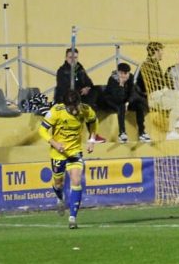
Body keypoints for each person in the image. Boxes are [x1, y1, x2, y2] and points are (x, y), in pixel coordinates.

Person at [38, 89, 97, 229]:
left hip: (74, 151)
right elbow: (42, 130)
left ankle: (72, 218)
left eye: (76, 106)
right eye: (71, 107)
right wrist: (55, 144)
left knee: (76, 180)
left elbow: (93, 122)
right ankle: (60, 198)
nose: (75, 110)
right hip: (58, 153)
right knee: (58, 183)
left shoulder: (86, 109)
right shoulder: (56, 111)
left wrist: (92, 140)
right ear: (66, 106)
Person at [139, 41, 179, 140]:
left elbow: (162, 85)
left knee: (177, 94)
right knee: (175, 102)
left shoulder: (155, 64)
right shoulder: (147, 65)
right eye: (161, 50)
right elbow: (155, 86)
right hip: (153, 98)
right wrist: (165, 91)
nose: (163, 53)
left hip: (160, 94)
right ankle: (172, 131)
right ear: (156, 51)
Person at [100, 62, 148, 143]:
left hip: (125, 101)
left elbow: (132, 92)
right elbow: (118, 98)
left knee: (139, 105)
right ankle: (122, 133)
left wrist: (128, 102)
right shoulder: (112, 79)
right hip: (111, 101)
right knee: (121, 106)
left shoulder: (130, 77)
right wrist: (121, 84)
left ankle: (142, 132)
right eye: (121, 73)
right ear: (118, 72)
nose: (124, 76)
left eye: (126, 73)